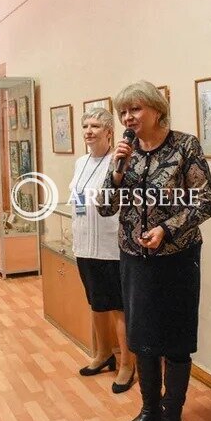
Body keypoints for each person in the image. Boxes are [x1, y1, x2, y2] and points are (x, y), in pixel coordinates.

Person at [97, 80, 211, 421]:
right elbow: (105, 206)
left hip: (176, 260)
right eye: (123, 112)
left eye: (134, 109)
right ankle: (149, 411)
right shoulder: (124, 152)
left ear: (156, 109)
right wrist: (118, 169)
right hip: (134, 260)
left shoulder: (184, 146)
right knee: (142, 339)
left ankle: (172, 420)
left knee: (176, 342)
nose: (128, 118)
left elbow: (206, 201)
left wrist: (166, 228)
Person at [71, 107, 135, 393]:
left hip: (111, 246)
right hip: (84, 245)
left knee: (119, 308)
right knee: (96, 303)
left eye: (95, 125)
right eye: (85, 125)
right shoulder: (80, 162)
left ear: (110, 132)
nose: (89, 131)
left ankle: (127, 365)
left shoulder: (118, 163)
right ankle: (103, 354)